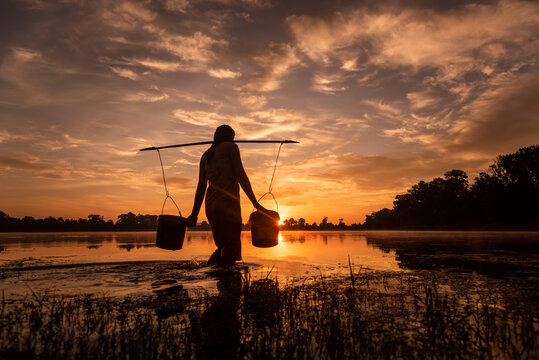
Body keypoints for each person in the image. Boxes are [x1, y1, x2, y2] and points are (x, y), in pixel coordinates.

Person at [187, 125, 267, 266]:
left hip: (211, 206)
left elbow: (201, 186)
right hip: (228, 205)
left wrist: (194, 213)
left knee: (224, 246)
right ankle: (218, 272)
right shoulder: (231, 147)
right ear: (231, 137)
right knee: (230, 248)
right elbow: (241, 175)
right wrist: (255, 203)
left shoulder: (205, 155)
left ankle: (216, 273)